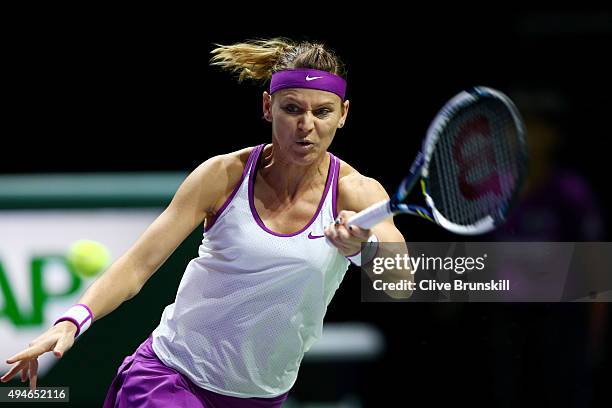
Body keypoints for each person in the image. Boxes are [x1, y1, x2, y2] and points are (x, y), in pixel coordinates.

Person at [1, 37, 408, 407]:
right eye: (292, 109)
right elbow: (140, 264)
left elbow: (403, 284)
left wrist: (364, 250)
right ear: (268, 107)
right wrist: (73, 319)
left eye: (322, 112)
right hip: (170, 378)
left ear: (343, 114)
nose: (306, 126)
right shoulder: (223, 176)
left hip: (261, 397)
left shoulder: (358, 192)